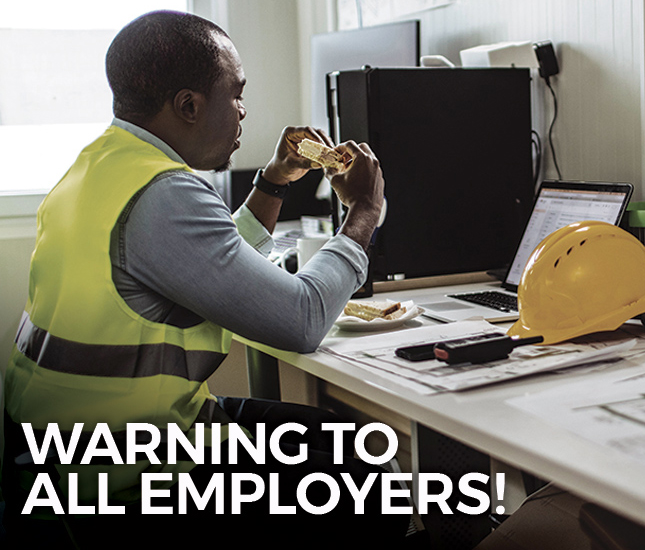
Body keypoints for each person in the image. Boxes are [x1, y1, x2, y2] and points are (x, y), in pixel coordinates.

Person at [1, 10, 411, 548]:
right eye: (236, 94)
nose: (243, 112)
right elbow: (302, 319)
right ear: (189, 105)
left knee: (346, 442)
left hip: (59, 455)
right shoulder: (165, 194)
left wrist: (272, 181)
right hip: (127, 479)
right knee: (366, 479)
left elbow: (204, 260)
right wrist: (363, 213)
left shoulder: (98, 167)